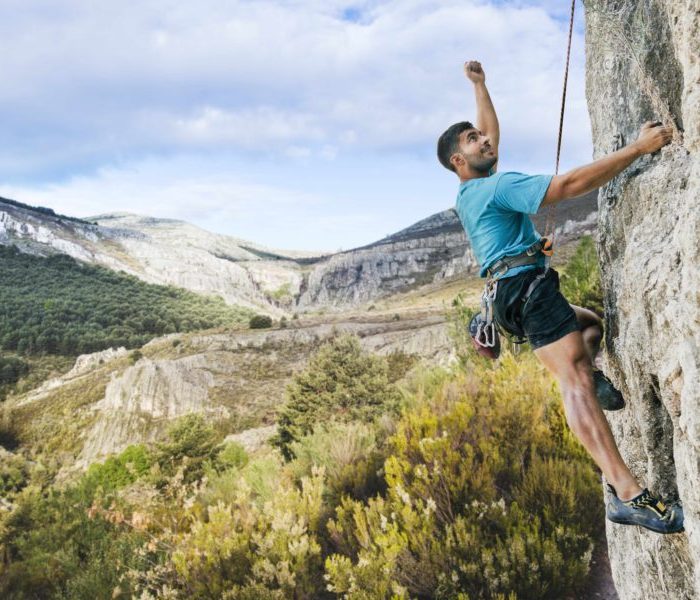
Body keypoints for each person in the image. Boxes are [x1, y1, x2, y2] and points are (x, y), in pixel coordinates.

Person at [437, 60, 683, 534]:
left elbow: (489, 133)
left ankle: (592, 379)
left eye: (482, 136)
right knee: (572, 378)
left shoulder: (469, 192)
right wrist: (639, 147)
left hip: (511, 293)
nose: (485, 140)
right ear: (458, 161)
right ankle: (628, 494)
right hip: (525, 291)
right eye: (473, 140)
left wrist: (480, 86)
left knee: (589, 325)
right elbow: (570, 186)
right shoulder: (498, 185)